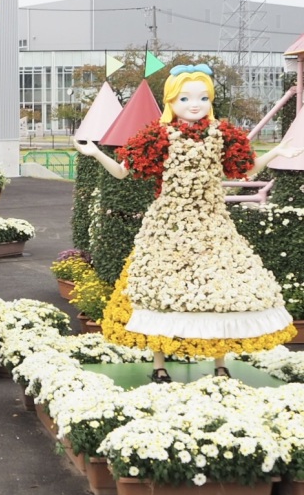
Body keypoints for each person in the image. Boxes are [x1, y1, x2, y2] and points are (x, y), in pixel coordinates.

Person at [74, 64, 299, 383]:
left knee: (218, 288)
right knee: (161, 289)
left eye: (203, 97)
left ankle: (220, 362)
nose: (195, 104)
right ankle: (159, 364)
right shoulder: (159, 135)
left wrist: (276, 151)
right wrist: (95, 153)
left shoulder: (222, 134)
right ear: (171, 101)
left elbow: (244, 171)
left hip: (213, 226)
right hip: (168, 226)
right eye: (186, 98)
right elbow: (124, 171)